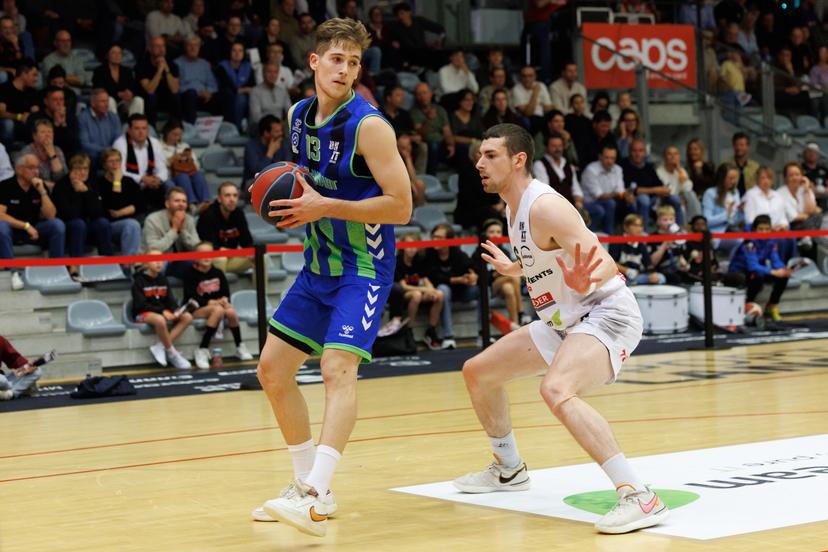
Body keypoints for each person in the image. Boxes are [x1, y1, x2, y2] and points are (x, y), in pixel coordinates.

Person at [453, 123, 666, 534]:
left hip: (607, 312)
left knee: (555, 389)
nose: (479, 163)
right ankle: (509, 470)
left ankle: (640, 497)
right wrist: (514, 268)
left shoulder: (545, 205)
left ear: (518, 160)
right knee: (478, 373)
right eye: (479, 155)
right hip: (564, 321)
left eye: (490, 155)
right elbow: (543, 256)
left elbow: (601, 259)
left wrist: (588, 279)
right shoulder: (512, 207)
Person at [251, 17, 412, 537]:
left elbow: (402, 207)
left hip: (362, 269)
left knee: (337, 370)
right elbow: (304, 184)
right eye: (336, 59)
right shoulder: (297, 115)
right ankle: (304, 486)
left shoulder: (370, 127)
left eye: (354, 62)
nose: (345, 69)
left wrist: (325, 205)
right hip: (317, 265)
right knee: (273, 373)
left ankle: (317, 494)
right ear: (314, 62)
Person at [183, 241, 253, 369]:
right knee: (218, 310)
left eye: (209, 253)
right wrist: (211, 302)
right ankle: (202, 349)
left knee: (230, 311)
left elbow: (225, 293)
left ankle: (239, 346)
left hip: (217, 307)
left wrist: (225, 301)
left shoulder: (218, 272)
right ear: (195, 256)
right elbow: (191, 297)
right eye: (202, 253)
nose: (206, 256)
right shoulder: (190, 273)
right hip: (196, 308)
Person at [0, 154, 65, 290]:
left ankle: (56, 269)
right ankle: (12, 273)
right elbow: (1, 215)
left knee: (57, 225)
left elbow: (51, 215)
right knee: (2, 226)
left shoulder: (39, 186)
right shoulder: (6, 186)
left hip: (34, 231)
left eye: (38, 167)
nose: (36, 171)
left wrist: (42, 192)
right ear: (19, 170)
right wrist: (25, 226)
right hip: (12, 231)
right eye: (31, 167)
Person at [51, 153, 114, 276]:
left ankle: (109, 264)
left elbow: (98, 213)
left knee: (103, 223)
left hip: (89, 226)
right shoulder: (61, 186)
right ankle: (76, 266)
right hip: (69, 227)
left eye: (85, 169)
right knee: (78, 224)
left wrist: (86, 192)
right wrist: (76, 192)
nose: (83, 172)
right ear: (71, 170)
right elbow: (69, 214)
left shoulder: (92, 183)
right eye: (78, 169)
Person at [130, 249, 193, 369]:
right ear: (146, 263)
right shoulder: (138, 281)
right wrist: (162, 311)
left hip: (160, 312)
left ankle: (161, 346)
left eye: (161, 260)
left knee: (187, 317)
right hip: (142, 314)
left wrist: (175, 311)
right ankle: (172, 353)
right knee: (160, 319)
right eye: (154, 260)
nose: (159, 263)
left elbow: (170, 300)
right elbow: (141, 305)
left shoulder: (163, 279)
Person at [729, 214, 792, 321]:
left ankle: (771, 307)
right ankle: (745, 307)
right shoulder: (749, 243)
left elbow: (775, 260)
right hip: (739, 272)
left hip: (757, 270)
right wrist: (773, 272)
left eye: (767, 229)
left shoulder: (771, 242)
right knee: (757, 277)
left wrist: (783, 269)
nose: (764, 232)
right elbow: (752, 266)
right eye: (760, 229)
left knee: (783, 277)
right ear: (754, 230)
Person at [425, 223, 478, 350]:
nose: (435, 240)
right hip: (442, 293)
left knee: (482, 289)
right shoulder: (429, 253)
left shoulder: (457, 252)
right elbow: (434, 276)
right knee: (443, 289)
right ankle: (448, 336)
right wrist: (456, 280)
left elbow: (472, 266)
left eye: (439, 237)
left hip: (462, 291)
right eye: (433, 237)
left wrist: (473, 276)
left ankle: (483, 333)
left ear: (449, 240)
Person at [390, 231, 445, 349]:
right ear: (402, 246)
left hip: (419, 291)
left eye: (414, 246)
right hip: (402, 295)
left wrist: (431, 290)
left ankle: (431, 329)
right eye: (408, 245)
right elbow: (403, 286)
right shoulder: (397, 261)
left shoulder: (419, 260)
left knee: (439, 294)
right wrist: (424, 289)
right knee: (416, 295)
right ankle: (409, 329)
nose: (411, 249)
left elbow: (425, 279)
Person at [472, 218, 526, 329]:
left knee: (509, 289)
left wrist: (503, 272)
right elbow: (481, 278)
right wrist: (498, 274)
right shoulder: (478, 253)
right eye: (492, 232)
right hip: (489, 287)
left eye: (498, 232)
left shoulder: (504, 252)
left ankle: (514, 324)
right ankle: (521, 313)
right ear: (485, 234)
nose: (496, 235)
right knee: (514, 278)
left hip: (504, 285)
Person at [113, 113, 171, 212]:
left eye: (144, 128)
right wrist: (142, 179)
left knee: (169, 186)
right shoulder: (120, 144)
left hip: (152, 184)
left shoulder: (154, 143)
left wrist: (158, 179)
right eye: (137, 128)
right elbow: (120, 171)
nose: (141, 132)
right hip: (131, 185)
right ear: (129, 130)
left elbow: (162, 168)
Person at [196, 181, 254, 275]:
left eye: (235, 195)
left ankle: (262, 290)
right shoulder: (208, 215)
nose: (232, 199)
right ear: (219, 198)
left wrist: (250, 252)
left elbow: (247, 242)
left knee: (261, 257)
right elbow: (211, 247)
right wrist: (237, 253)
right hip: (211, 260)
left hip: (231, 259)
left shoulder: (238, 214)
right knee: (220, 258)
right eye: (227, 195)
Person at [142, 186, 200, 279]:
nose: (181, 204)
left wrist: (182, 230)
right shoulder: (153, 220)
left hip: (178, 262)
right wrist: (173, 230)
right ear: (167, 204)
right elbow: (153, 249)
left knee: (199, 264)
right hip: (156, 263)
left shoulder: (189, 220)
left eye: (184, 201)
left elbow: (197, 247)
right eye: (177, 201)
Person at [97, 148, 143, 257]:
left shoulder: (129, 182)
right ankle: (127, 265)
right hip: (108, 225)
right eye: (111, 161)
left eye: (118, 161)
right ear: (104, 165)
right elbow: (111, 207)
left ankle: (128, 265)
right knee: (132, 225)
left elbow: (140, 205)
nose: (115, 164)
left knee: (133, 225)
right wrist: (117, 183)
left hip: (128, 222)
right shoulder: (99, 183)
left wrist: (121, 213)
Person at [159, 119, 210, 211]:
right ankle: (192, 204)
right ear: (167, 132)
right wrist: (171, 160)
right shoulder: (158, 146)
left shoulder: (184, 146)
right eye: (174, 134)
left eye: (179, 135)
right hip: (170, 176)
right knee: (183, 176)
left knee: (198, 175)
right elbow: (158, 166)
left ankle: (205, 202)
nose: (177, 137)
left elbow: (196, 166)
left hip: (189, 173)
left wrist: (187, 160)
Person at [580, 143, 627, 235]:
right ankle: (605, 235)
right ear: (600, 157)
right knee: (605, 207)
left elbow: (621, 191)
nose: (610, 161)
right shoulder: (591, 170)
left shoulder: (618, 169)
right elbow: (599, 195)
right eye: (607, 157)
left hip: (609, 202)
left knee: (630, 203)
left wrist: (625, 195)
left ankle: (630, 234)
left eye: (612, 158)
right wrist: (619, 194)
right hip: (588, 203)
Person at [411, 81, 455, 175]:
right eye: (419, 94)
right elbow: (420, 133)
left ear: (430, 94)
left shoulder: (440, 110)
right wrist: (429, 120)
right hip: (426, 143)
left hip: (441, 144)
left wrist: (451, 145)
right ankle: (432, 176)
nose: (422, 96)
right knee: (432, 145)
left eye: (424, 93)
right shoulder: (414, 112)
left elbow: (447, 131)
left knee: (462, 149)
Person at [137, 36, 182, 126]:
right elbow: (150, 90)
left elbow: (175, 89)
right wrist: (160, 70)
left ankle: (177, 127)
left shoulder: (172, 65)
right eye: (157, 46)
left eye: (163, 46)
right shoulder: (142, 65)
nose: (161, 49)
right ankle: (152, 129)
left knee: (175, 96)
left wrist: (167, 70)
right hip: (148, 101)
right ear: (149, 49)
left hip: (165, 100)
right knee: (151, 96)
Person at [532, 131, 583, 210]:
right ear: (546, 148)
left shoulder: (568, 165)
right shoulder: (540, 165)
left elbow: (576, 189)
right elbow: (545, 191)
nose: (558, 149)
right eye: (554, 146)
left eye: (560, 146)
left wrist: (578, 201)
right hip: (551, 208)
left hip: (570, 206)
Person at [610, 213, 665, 285]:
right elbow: (611, 263)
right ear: (626, 227)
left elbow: (648, 264)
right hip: (619, 276)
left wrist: (652, 273)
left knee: (661, 277)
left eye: (641, 226)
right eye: (635, 225)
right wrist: (627, 270)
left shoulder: (641, 245)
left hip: (636, 277)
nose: (639, 229)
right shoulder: (617, 242)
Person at [175, 36, 218, 124]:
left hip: (204, 97)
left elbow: (213, 85)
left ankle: (222, 130)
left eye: (196, 45)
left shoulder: (204, 64)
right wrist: (197, 92)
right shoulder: (177, 63)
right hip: (186, 97)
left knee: (222, 96)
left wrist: (208, 92)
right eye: (190, 45)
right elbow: (177, 87)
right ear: (185, 47)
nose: (193, 48)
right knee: (191, 94)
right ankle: (192, 128)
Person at [92, 44, 144, 117]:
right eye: (114, 53)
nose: (117, 55)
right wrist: (118, 94)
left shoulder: (127, 71)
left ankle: (134, 125)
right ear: (107, 56)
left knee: (138, 100)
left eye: (119, 53)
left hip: (125, 101)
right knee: (110, 100)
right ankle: (113, 126)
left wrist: (130, 93)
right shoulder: (100, 71)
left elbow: (133, 87)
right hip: (110, 100)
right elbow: (99, 89)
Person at [657, 145, 702, 224]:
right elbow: (665, 191)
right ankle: (682, 229)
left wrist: (680, 172)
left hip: (680, 199)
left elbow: (688, 189)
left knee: (691, 195)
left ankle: (697, 222)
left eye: (676, 154)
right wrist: (679, 199)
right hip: (665, 201)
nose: (673, 157)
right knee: (678, 201)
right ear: (665, 157)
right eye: (669, 154)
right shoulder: (659, 172)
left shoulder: (681, 171)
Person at [216, 40, 255, 132]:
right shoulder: (222, 66)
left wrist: (241, 90)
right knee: (238, 98)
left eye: (240, 50)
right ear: (230, 52)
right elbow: (225, 85)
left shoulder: (248, 67)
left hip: (244, 97)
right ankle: (236, 128)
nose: (237, 53)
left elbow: (252, 86)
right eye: (234, 50)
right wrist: (240, 90)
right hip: (226, 97)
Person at [0, 335, 52, 400]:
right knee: (2, 380)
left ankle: (10, 393)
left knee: (37, 371)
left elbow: (14, 359)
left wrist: (26, 365)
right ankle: (17, 390)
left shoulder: (0, 340)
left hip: (4, 381)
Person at [0, 57, 38, 145]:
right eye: (34, 75)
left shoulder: (32, 92)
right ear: (24, 74)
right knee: (8, 124)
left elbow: (36, 111)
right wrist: (19, 116)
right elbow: (1, 112)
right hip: (9, 124)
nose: (36, 79)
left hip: (26, 126)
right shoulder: (4, 88)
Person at [243, 114, 290, 185]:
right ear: (266, 133)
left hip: (278, 181)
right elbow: (258, 172)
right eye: (277, 131)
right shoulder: (251, 147)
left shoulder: (284, 145)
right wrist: (270, 153)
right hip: (253, 183)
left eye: (281, 131)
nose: (281, 134)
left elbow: (288, 168)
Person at [20, 119, 67, 190]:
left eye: (50, 132)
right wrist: (54, 187)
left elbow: (62, 178)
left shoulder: (57, 150)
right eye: (43, 132)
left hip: (56, 191)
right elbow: (30, 179)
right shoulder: (27, 152)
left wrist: (52, 154)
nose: (47, 135)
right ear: (34, 136)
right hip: (34, 191)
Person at [648, 205, 690, 285]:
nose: (669, 222)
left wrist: (685, 265)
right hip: (660, 272)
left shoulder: (678, 235)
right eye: (665, 220)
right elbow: (652, 262)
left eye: (671, 219)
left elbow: (684, 258)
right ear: (658, 221)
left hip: (677, 272)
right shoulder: (652, 237)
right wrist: (666, 242)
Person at [78, 89, 121, 165]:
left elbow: (118, 139)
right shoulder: (82, 118)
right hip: (93, 157)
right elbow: (84, 144)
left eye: (107, 101)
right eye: (103, 101)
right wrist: (105, 151)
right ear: (93, 103)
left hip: (111, 156)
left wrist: (111, 152)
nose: (106, 104)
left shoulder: (113, 117)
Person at [249, 61, 291, 130]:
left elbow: (290, 111)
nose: (272, 75)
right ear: (263, 74)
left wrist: (283, 124)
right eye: (269, 72)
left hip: (279, 127)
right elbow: (256, 116)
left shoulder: (282, 91)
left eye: (275, 72)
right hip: (261, 127)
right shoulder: (255, 91)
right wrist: (273, 125)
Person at [720, 131, 759, 196]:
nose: (739, 148)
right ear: (733, 146)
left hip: (750, 202)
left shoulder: (755, 167)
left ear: (747, 146)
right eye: (736, 145)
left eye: (742, 145)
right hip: (729, 200)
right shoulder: (725, 165)